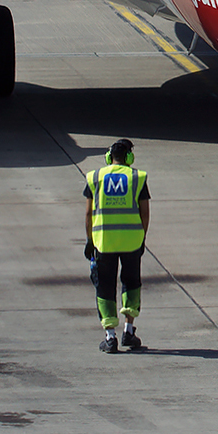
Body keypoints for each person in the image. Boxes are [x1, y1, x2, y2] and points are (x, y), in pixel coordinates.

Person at [84, 138, 150, 353]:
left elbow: (88, 213)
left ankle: (110, 337)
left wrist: (89, 240)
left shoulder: (95, 177)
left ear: (107, 157)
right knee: (131, 283)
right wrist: (142, 237)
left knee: (104, 286)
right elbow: (144, 212)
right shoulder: (137, 177)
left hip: (104, 242)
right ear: (129, 157)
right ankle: (129, 332)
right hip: (131, 241)